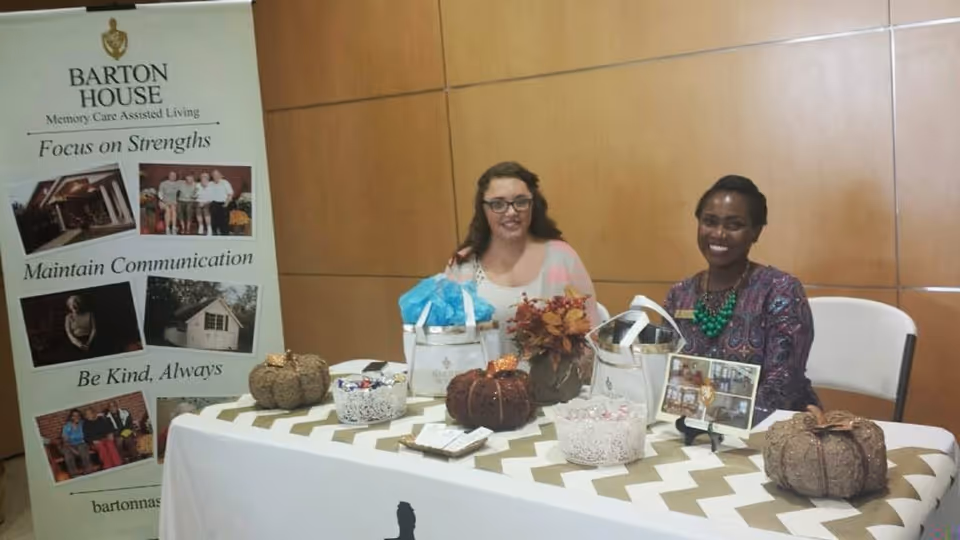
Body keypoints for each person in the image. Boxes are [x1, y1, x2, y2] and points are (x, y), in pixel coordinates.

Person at [663, 175, 820, 424]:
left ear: (756, 232)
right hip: (691, 426)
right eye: (709, 222)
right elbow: (665, 372)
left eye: (733, 225)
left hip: (771, 429)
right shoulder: (679, 294)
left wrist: (722, 420)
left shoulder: (779, 289)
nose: (718, 234)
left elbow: (783, 383)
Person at [446, 161, 598, 355]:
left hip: (551, 383)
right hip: (482, 381)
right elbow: (448, 340)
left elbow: (592, 333)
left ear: (533, 205)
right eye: (498, 204)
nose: (511, 212)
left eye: (520, 202)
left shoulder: (562, 256)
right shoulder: (463, 263)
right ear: (483, 209)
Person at [60, 409, 93, 477]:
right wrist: (73, 450)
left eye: (78, 415)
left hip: (82, 443)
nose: (76, 417)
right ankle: (74, 474)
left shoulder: (83, 423)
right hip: (70, 445)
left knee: (82, 448)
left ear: (80, 416)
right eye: (74, 416)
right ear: (71, 417)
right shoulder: (67, 426)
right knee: (68, 454)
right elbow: (65, 441)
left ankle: (88, 471)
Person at [207, 169, 234, 235]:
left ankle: (224, 233)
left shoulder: (225, 182)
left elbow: (230, 194)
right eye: (214, 175)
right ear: (212, 176)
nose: (215, 176)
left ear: (220, 175)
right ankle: (215, 232)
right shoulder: (210, 184)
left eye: (217, 175)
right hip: (213, 204)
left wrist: (226, 203)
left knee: (224, 222)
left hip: (224, 203)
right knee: (214, 221)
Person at [157, 171, 182, 235]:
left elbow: (187, 182)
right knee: (168, 210)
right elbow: (160, 194)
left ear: (176, 177)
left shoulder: (178, 183)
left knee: (173, 209)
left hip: (173, 202)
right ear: (168, 176)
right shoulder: (163, 183)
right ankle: (167, 229)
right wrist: (162, 201)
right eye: (171, 175)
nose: (173, 176)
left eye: (174, 175)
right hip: (164, 202)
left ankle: (173, 228)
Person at [196, 171, 213, 236]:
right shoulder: (197, 185)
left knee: (206, 209)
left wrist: (205, 202)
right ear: (200, 178)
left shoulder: (211, 185)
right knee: (198, 208)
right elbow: (195, 195)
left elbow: (212, 196)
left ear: (208, 178)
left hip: (208, 202)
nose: (204, 178)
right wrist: (199, 201)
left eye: (205, 177)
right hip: (199, 202)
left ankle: (209, 228)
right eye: (202, 177)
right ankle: (201, 226)